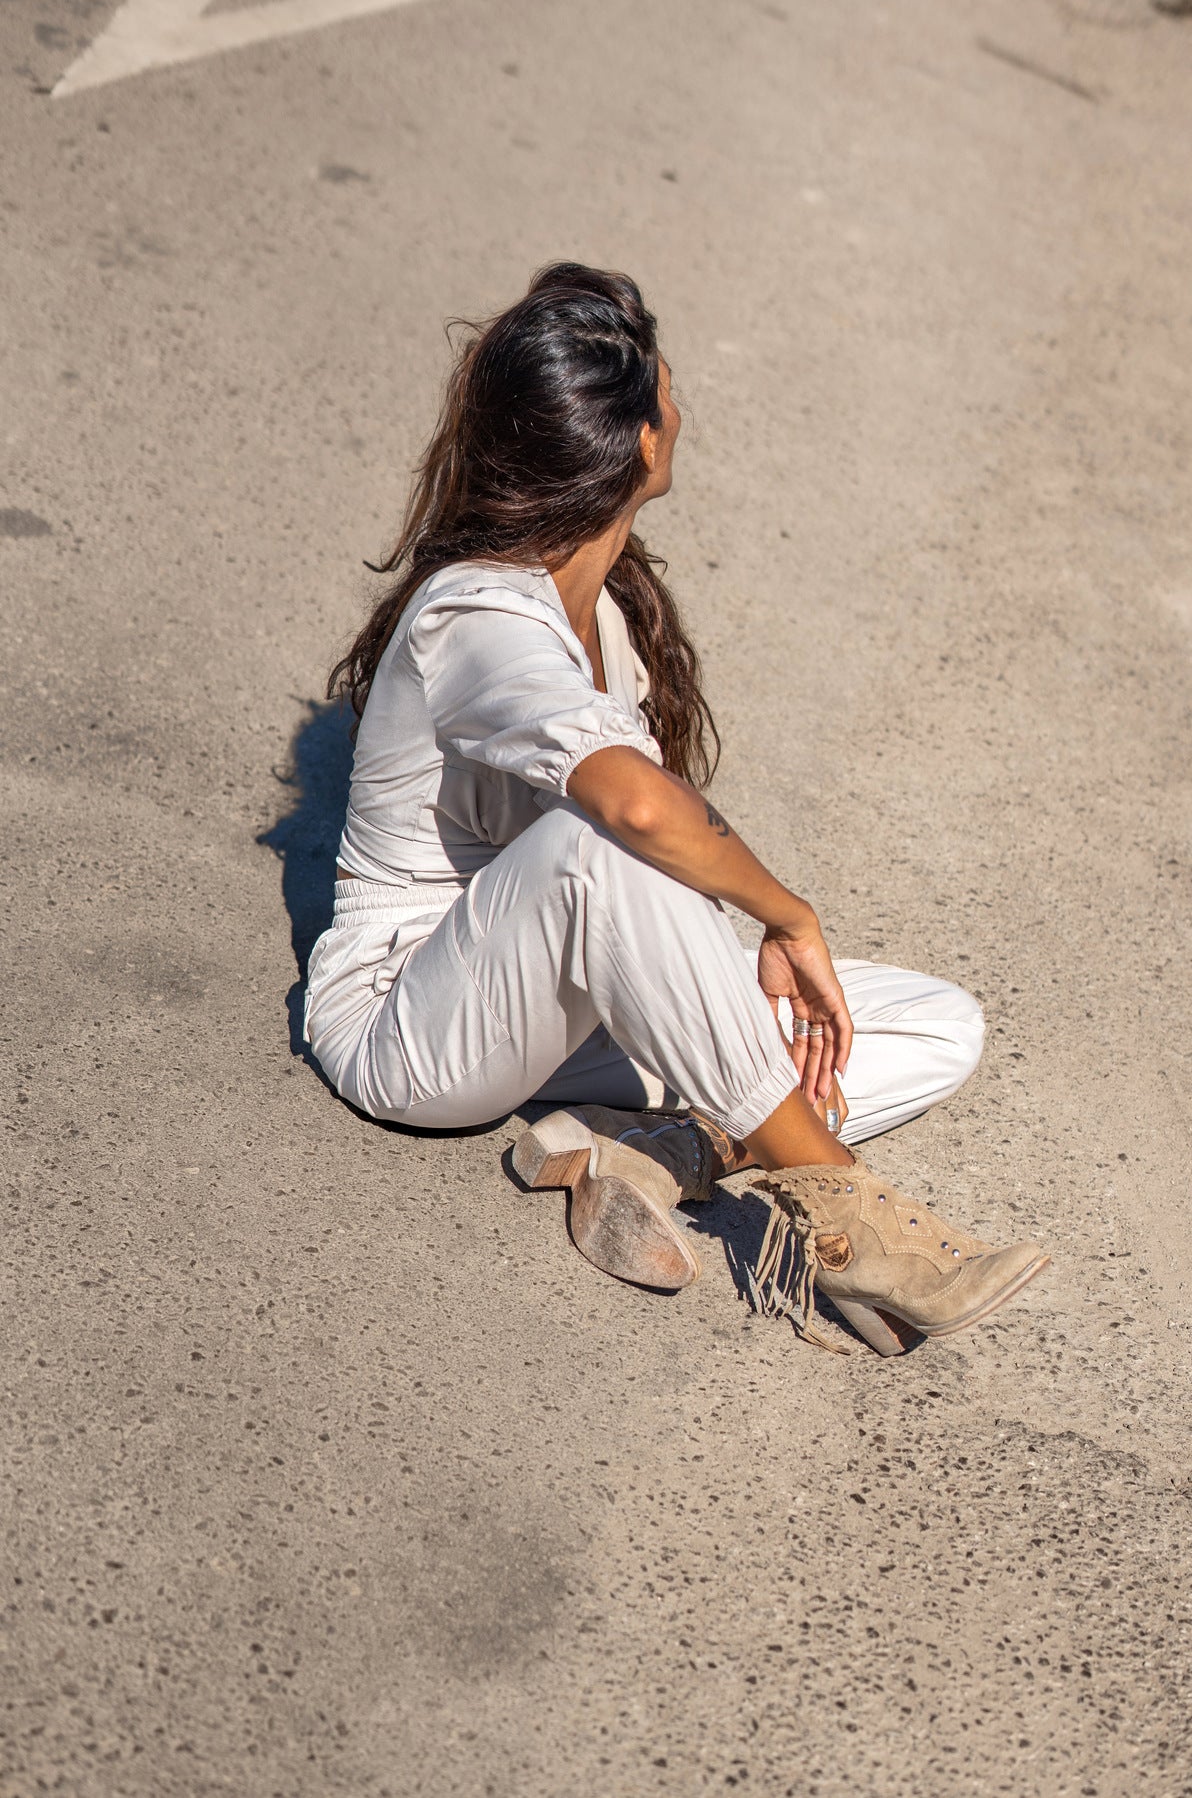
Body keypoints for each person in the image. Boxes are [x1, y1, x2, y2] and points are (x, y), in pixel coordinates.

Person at [304, 263, 1048, 1356]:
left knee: (936, 1023)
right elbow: (637, 821)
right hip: (414, 1024)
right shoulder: (473, 614)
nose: (679, 405)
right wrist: (785, 918)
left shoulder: (601, 614)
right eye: (668, 388)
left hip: (557, 1011)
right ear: (641, 443)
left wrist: (712, 962)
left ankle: (642, 1153)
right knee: (601, 836)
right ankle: (849, 1221)